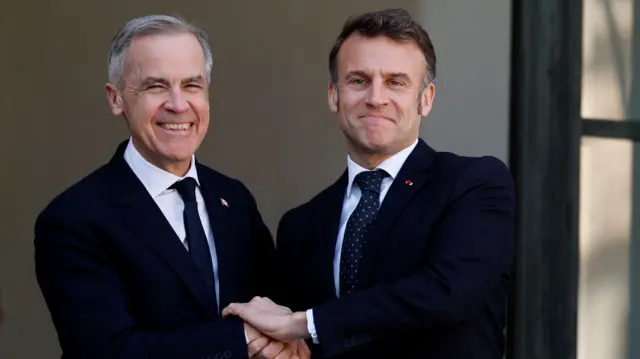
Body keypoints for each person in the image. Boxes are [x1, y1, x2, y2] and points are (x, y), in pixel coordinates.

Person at [222, 8, 515, 359]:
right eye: (359, 80)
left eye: (396, 82)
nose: (376, 98)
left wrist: (305, 323)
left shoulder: (474, 186)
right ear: (334, 95)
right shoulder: (301, 226)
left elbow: (447, 293)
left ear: (426, 99)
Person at [34, 15, 309, 359]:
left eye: (192, 86)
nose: (178, 105)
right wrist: (241, 338)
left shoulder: (234, 199)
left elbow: (277, 307)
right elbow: (108, 352)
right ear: (116, 98)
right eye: (155, 86)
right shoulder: (73, 219)